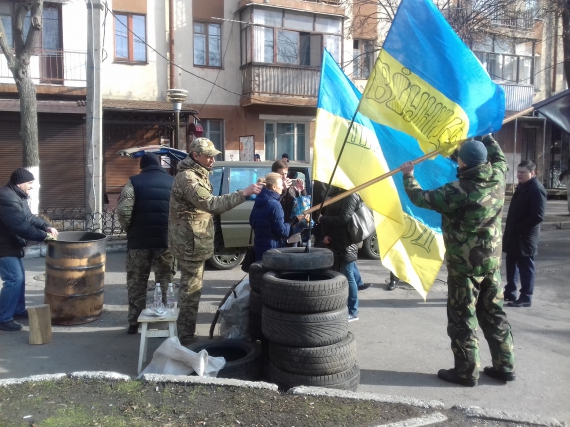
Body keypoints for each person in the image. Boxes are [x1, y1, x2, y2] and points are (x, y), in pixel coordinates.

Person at [400, 135, 515, 387]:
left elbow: (419, 197)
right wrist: (485, 135)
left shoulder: (456, 191)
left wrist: (408, 174)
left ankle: (466, 371)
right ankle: (504, 365)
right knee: (495, 314)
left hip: (464, 267)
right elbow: (500, 157)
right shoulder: (497, 177)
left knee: (463, 318)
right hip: (491, 263)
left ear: (462, 164)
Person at [169, 138, 262, 345]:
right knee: (190, 292)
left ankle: (185, 333)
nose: (212, 160)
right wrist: (243, 193)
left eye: (213, 155)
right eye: (208, 156)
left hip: (194, 241)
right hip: (189, 243)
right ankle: (185, 338)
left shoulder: (198, 174)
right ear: (195, 156)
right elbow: (211, 204)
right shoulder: (188, 178)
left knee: (192, 289)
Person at [117, 153, 175, 334]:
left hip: (138, 243)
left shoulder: (133, 182)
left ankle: (134, 322)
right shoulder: (172, 182)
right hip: (165, 242)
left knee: (137, 284)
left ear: (142, 166)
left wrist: (131, 230)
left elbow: (124, 211)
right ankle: (166, 319)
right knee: (165, 282)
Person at [0, 168, 58, 332]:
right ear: (20, 183)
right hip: (3, 246)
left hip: (11, 244)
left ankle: (17, 310)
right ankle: (3, 318)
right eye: (30, 183)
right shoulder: (5, 198)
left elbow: (29, 217)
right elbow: (20, 225)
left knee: (19, 278)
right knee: (13, 279)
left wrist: (46, 226)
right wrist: (43, 237)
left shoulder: (17, 195)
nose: (32, 186)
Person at [318, 188, 371, 322]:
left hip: (347, 243)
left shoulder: (351, 194)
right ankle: (342, 306)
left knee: (348, 277)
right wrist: (325, 235)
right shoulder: (334, 193)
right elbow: (328, 213)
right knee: (343, 274)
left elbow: (344, 218)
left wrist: (323, 219)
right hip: (334, 241)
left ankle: (353, 312)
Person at [502, 160, 546, 308]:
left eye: (523, 172)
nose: (519, 175)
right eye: (518, 172)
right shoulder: (522, 186)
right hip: (514, 235)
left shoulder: (536, 189)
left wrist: (520, 228)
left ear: (532, 173)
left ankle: (526, 296)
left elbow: (537, 215)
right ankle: (510, 292)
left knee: (526, 266)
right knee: (511, 264)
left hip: (525, 237)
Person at [249, 173, 304, 261]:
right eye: (281, 185)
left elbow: (252, 222)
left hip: (259, 247)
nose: (283, 187)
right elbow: (282, 231)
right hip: (273, 250)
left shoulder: (259, 200)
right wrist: (293, 221)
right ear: (274, 187)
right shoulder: (275, 204)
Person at [271, 160, 306, 229]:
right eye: (281, 174)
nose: (284, 177)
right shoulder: (270, 188)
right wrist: (282, 189)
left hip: (293, 227)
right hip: (278, 226)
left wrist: (301, 191)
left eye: (286, 174)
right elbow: (273, 205)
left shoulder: (292, 187)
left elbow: (303, 206)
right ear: (274, 174)